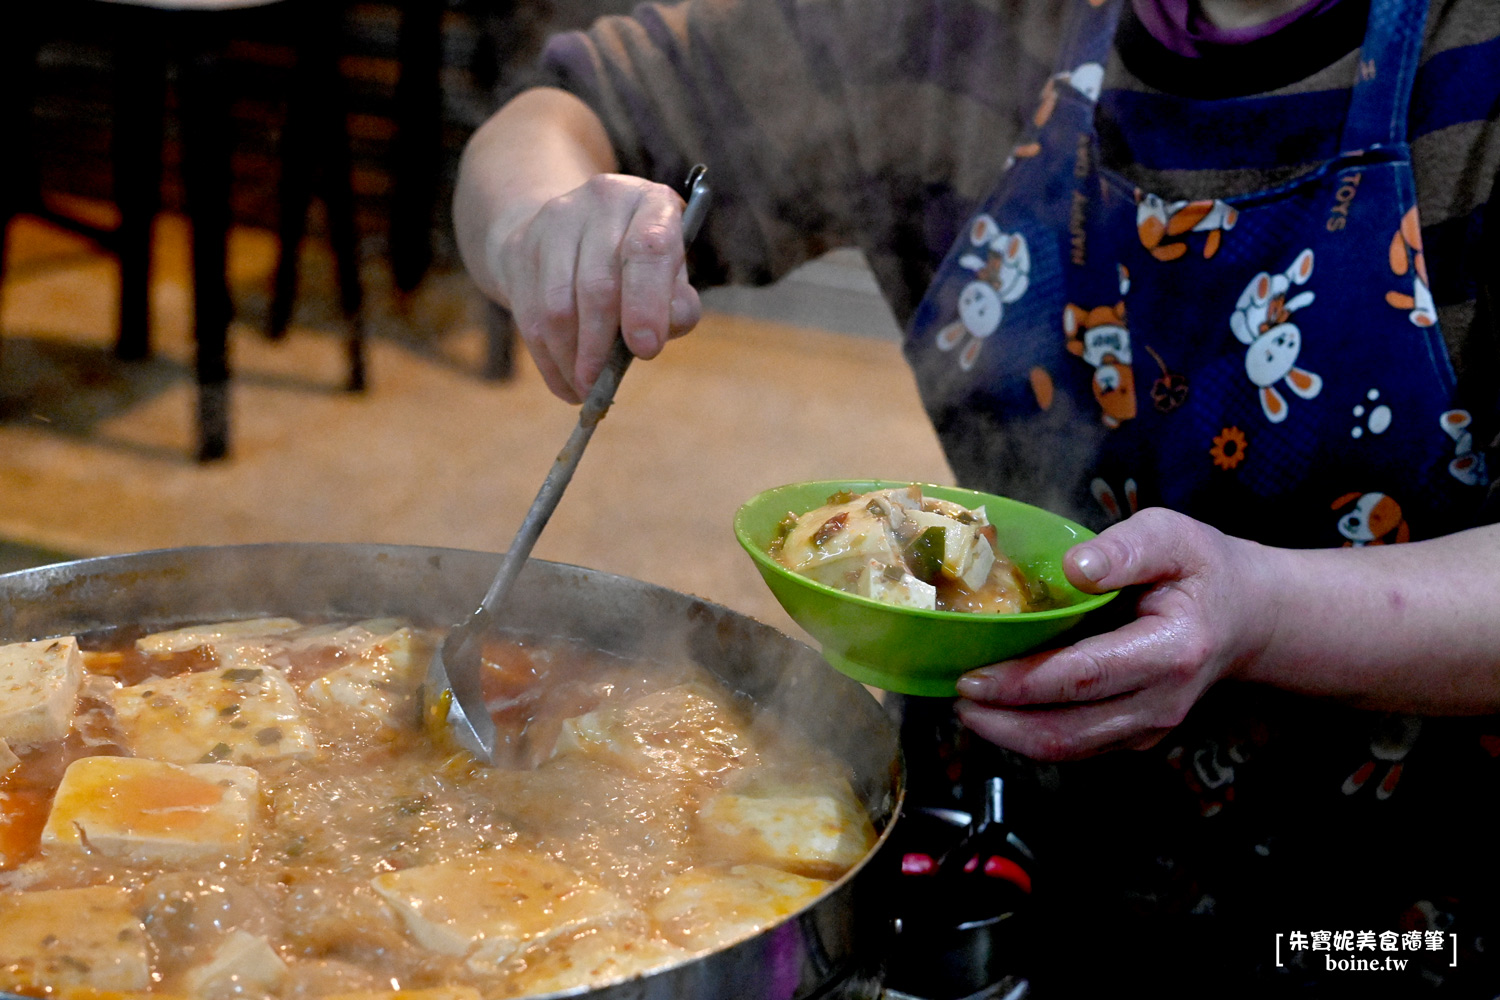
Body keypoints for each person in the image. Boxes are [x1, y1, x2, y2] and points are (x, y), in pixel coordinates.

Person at [453, 0, 1500, 993]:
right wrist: (545, 230)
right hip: (999, 824)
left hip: (1399, 908)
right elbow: (561, 112)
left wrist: (1261, 608)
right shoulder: (959, 24)